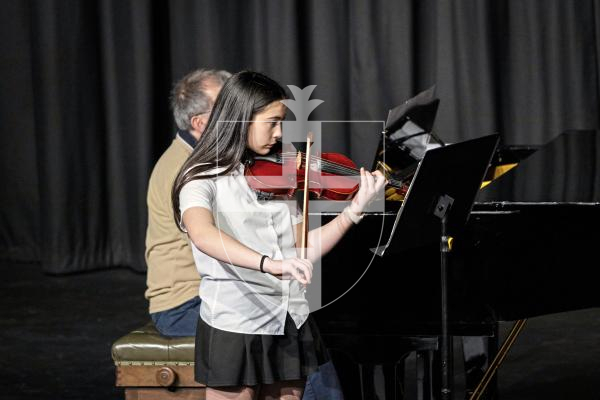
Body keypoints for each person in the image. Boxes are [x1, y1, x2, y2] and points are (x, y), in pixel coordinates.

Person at [171, 70, 386, 399]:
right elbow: (204, 235)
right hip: (235, 322)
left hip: (288, 317)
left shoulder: (278, 176)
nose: (280, 132)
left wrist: (353, 212)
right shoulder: (200, 179)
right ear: (241, 120)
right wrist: (270, 264)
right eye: (271, 122)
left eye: (282, 121)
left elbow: (303, 248)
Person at [145, 68, 231, 336]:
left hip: (210, 291)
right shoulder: (186, 170)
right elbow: (218, 240)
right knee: (285, 331)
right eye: (227, 108)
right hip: (184, 304)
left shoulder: (206, 158)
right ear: (200, 124)